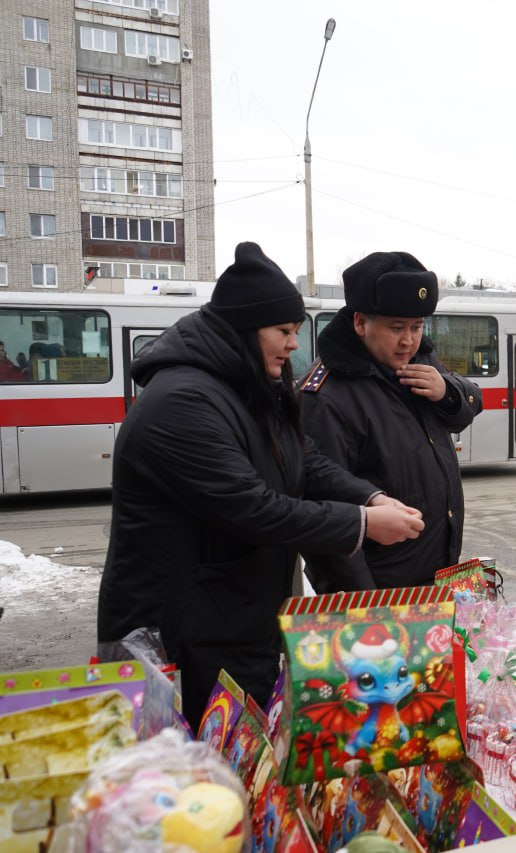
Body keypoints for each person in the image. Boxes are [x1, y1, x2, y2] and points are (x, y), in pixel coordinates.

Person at [96, 242, 426, 724]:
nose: (294, 344)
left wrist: (368, 495)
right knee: (186, 776)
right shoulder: (183, 401)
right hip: (177, 637)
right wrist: (361, 522)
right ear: (245, 329)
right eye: (284, 332)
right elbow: (252, 508)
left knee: (240, 760)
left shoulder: (248, 385)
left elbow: (303, 462)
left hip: (233, 621)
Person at [299, 251, 483, 592]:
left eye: (416, 327)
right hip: (377, 591)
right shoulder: (327, 393)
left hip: (433, 575)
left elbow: (469, 406)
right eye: (396, 328)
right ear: (359, 323)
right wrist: (366, 601)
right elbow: (323, 503)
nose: (408, 341)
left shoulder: (419, 360)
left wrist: (448, 391)